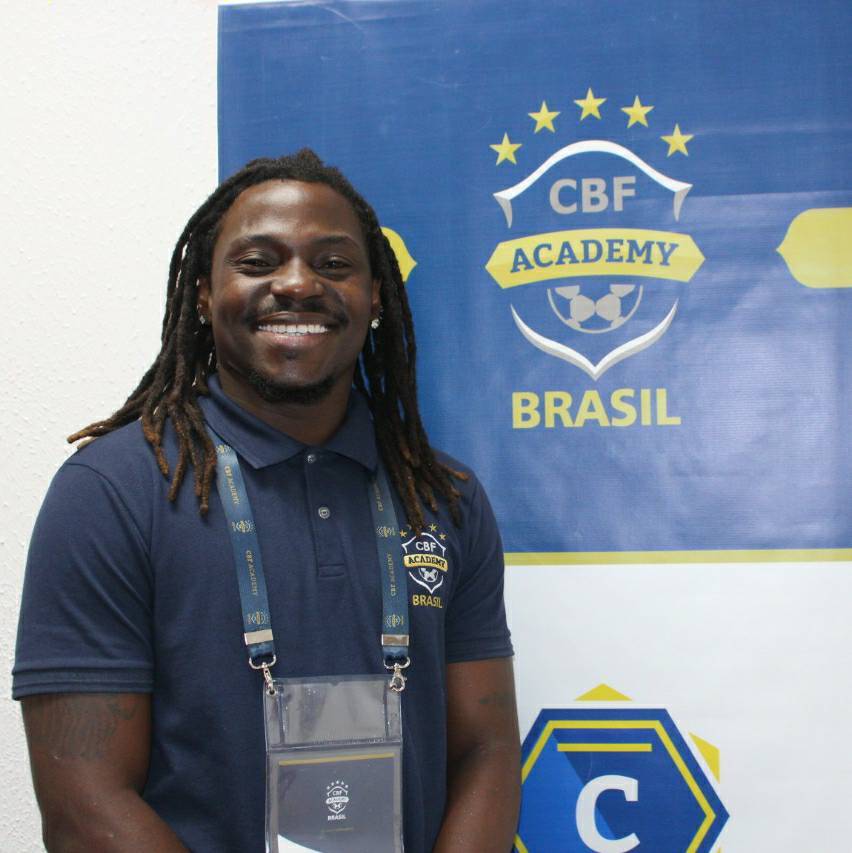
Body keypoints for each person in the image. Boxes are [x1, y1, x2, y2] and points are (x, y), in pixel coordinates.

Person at [14, 149, 520, 852]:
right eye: (257, 262)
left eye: (333, 263)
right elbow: (84, 804)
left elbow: (486, 748)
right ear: (202, 294)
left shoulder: (441, 495)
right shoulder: (110, 492)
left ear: (376, 297)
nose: (298, 283)